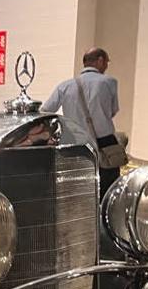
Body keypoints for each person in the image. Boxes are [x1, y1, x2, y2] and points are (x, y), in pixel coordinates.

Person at [41, 47, 123, 193]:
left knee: (77, 186)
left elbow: (46, 110)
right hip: (104, 142)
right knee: (107, 188)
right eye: (106, 62)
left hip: (74, 141)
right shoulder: (109, 82)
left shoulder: (64, 86)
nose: (106, 66)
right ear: (100, 60)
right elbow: (112, 111)